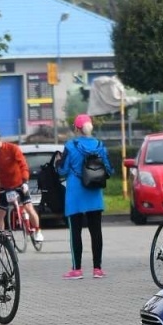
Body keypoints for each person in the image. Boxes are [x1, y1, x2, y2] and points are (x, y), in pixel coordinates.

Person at [58, 113, 113, 279]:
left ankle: (77, 269)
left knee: (75, 232)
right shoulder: (100, 145)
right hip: (94, 193)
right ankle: (97, 269)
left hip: (75, 194)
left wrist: (58, 163)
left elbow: (62, 170)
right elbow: (109, 170)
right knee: (96, 231)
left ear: (76, 129)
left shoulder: (70, 146)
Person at [0, 130, 42, 245]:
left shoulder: (12, 148)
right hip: (4, 185)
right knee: (0, 213)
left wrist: (25, 181)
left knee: (29, 208)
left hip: (19, 182)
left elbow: (23, 164)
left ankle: (37, 230)